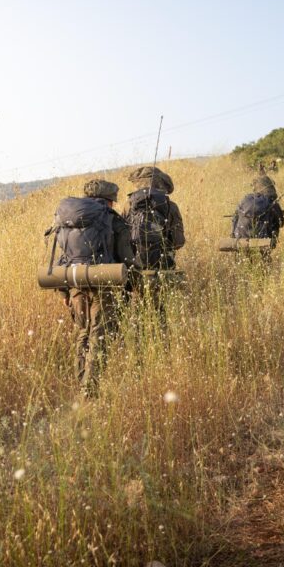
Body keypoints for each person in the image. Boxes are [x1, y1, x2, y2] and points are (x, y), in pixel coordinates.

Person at [53, 179, 133, 398]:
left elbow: (63, 257)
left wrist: (63, 291)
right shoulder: (110, 219)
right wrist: (131, 285)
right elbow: (126, 257)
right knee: (99, 334)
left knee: (83, 332)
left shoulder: (69, 219)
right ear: (109, 201)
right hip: (103, 283)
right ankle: (91, 389)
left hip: (75, 282)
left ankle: (81, 381)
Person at [122, 166, 185, 320]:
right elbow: (178, 242)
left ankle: (138, 339)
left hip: (135, 267)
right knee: (160, 311)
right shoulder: (171, 206)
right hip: (163, 266)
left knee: (137, 311)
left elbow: (122, 238)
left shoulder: (128, 205)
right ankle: (159, 340)